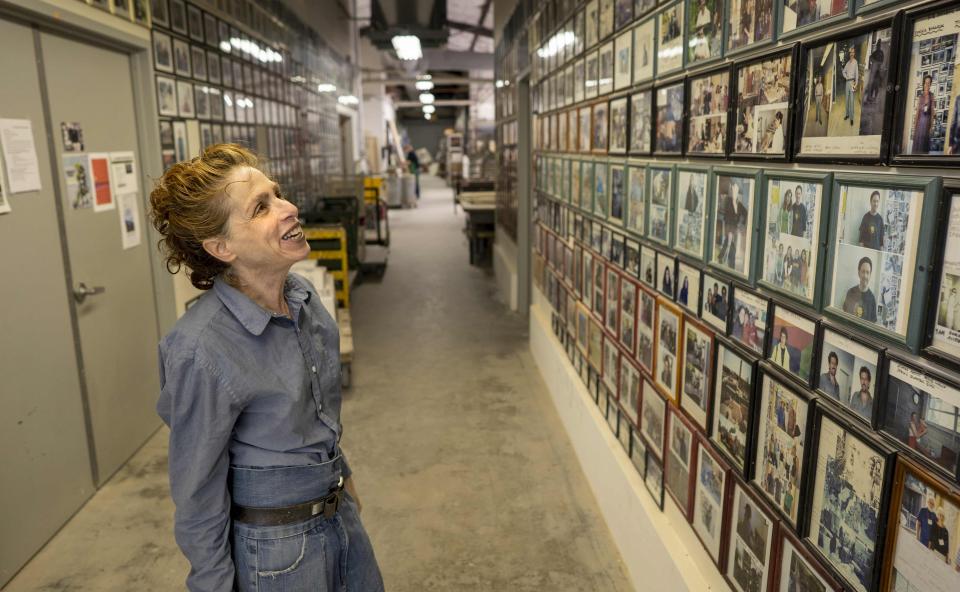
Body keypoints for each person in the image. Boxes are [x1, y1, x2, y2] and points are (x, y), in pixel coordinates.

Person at [149, 145, 384, 592]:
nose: (289, 208)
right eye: (261, 207)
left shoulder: (305, 302)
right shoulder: (200, 349)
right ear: (221, 247)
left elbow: (317, 417)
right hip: (277, 551)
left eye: (277, 194)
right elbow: (197, 491)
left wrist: (344, 484)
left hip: (339, 517)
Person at [842, 256, 878, 322]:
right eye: (863, 271)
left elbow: (873, 324)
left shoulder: (872, 299)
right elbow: (845, 317)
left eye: (867, 272)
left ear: (870, 275)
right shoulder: (850, 293)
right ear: (859, 273)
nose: (865, 276)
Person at [912, 75, 935, 154]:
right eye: (926, 83)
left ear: (931, 84)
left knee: (924, 145)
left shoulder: (932, 96)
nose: (927, 85)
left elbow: (932, 113)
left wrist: (931, 127)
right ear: (923, 84)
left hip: (927, 123)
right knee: (917, 144)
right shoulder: (920, 97)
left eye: (929, 83)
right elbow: (917, 112)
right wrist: (914, 127)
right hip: (919, 124)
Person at [842, 46, 859, 125]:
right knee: (847, 100)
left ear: (854, 53)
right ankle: (847, 115)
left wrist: (856, 84)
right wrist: (846, 77)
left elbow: (857, 74)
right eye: (850, 52)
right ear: (849, 54)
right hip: (847, 83)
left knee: (852, 101)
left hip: (852, 82)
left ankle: (851, 118)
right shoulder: (847, 63)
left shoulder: (855, 62)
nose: (851, 54)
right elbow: (843, 71)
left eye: (853, 52)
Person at [865, 38, 885, 104]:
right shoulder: (875, 52)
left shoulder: (881, 52)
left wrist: (879, 64)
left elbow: (882, 61)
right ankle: (869, 97)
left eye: (879, 44)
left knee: (876, 83)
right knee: (871, 83)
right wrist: (875, 62)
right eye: (878, 45)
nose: (878, 46)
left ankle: (873, 98)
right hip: (875, 68)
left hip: (878, 69)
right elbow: (870, 58)